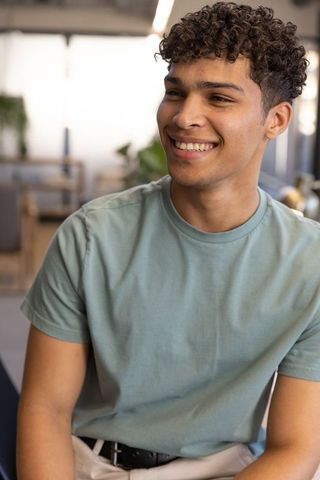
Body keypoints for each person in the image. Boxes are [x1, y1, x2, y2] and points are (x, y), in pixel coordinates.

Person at [17, 2, 320, 479]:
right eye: (175, 93)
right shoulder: (92, 236)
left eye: (218, 98)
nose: (184, 118)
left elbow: (296, 447)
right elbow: (44, 410)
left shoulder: (310, 263)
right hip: (92, 466)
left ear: (276, 120)